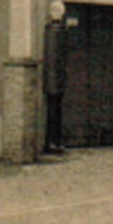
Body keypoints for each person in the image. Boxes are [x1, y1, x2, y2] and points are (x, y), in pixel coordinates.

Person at [43, 16, 67, 155]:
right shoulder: (51, 34)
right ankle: (52, 142)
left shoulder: (59, 35)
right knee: (53, 108)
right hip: (53, 84)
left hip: (56, 84)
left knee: (56, 108)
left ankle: (55, 141)